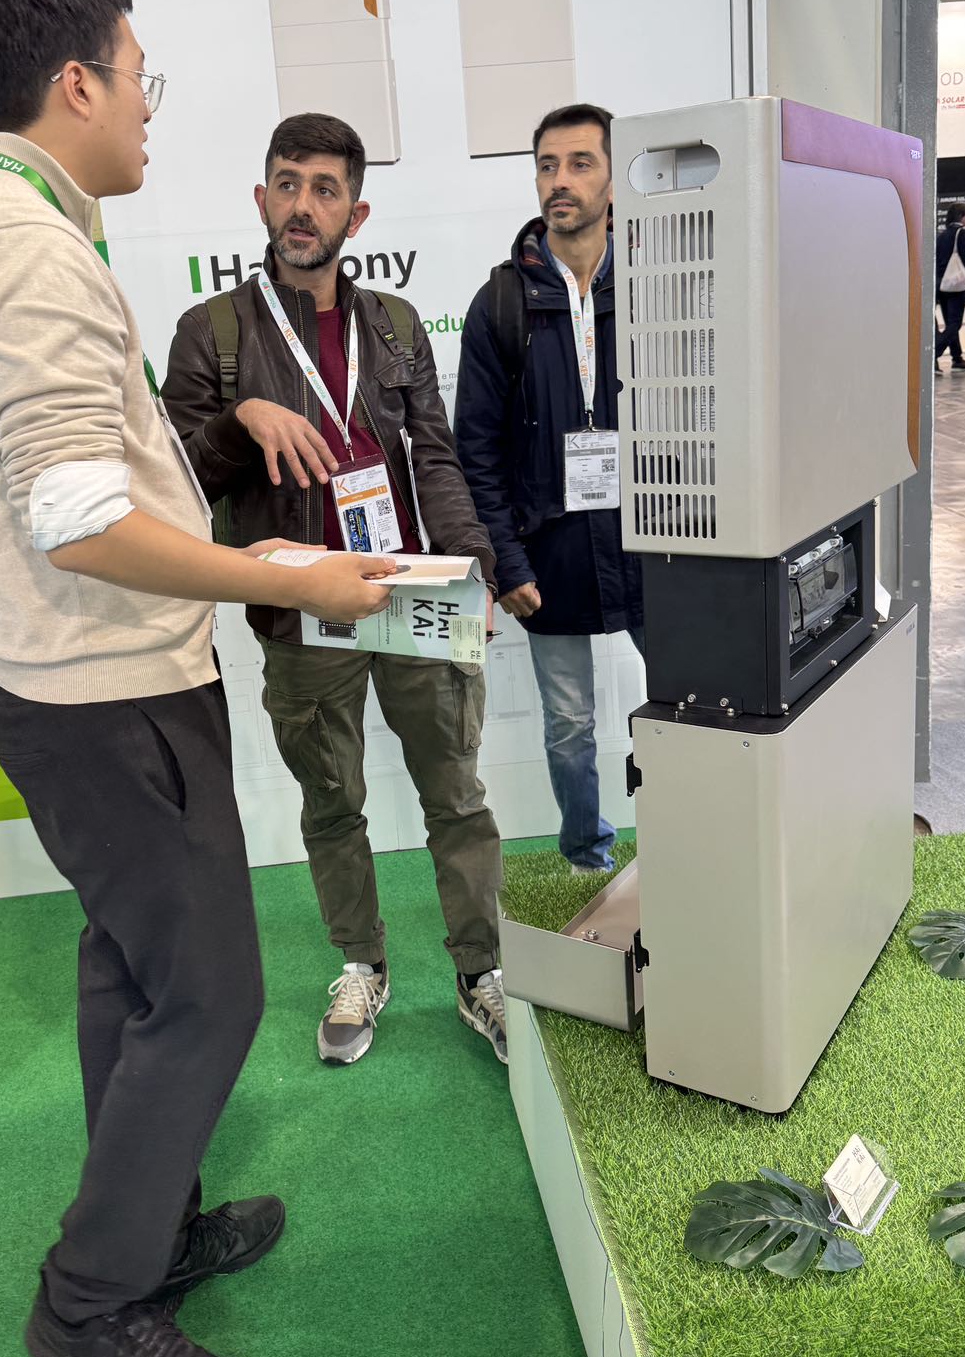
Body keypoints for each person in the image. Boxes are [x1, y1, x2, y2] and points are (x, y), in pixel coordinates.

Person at [0, 0, 396, 1357]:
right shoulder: (30, 249)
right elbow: (77, 517)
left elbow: (88, 478)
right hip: (104, 695)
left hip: (78, 686)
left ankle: (154, 1224)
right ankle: (90, 1302)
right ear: (76, 82)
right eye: (138, 78)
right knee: (210, 994)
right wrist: (279, 578)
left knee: (131, 973)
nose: (145, 108)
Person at [163, 112, 509, 1068]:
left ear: (356, 214)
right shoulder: (213, 333)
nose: (302, 205)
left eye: (325, 189)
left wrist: (474, 565)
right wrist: (239, 417)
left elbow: (434, 459)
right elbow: (178, 480)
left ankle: (480, 972)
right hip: (301, 611)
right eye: (287, 183)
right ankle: (362, 962)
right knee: (330, 802)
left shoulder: (394, 324)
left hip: (409, 594)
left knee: (457, 795)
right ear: (261, 198)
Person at [454, 103, 643, 877]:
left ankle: (691, 845)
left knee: (688, 711)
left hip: (656, 544)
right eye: (547, 165)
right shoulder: (502, 303)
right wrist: (506, 562)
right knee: (569, 725)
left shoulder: (656, 281)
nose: (560, 180)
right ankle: (586, 857)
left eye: (580, 163)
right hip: (550, 552)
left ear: (614, 178)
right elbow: (476, 449)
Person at [934, 202, 965, 374]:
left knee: (949, 321)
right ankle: (933, 353)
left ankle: (957, 357)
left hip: (941, 283)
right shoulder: (962, 234)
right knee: (955, 323)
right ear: (961, 216)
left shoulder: (942, 235)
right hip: (956, 284)